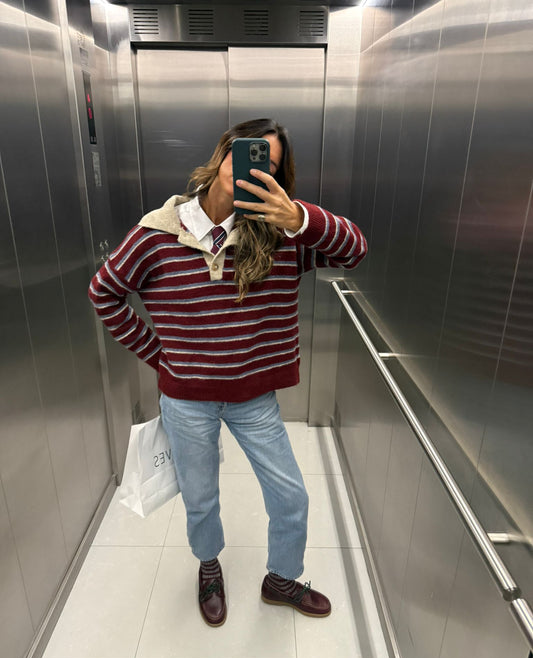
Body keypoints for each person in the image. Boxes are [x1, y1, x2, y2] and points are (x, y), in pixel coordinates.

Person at [89, 118, 367, 627]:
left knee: (291, 496)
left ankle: (281, 579)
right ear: (223, 154)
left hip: (253, 400)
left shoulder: (280, 236)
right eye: (245, 152)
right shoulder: (157, 232)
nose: (250, 168)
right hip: (186, 401)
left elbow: (355, 250)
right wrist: (159, 356)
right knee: (201, 499)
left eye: (268, 166)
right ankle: (209, 567)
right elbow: (103, 293)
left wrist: (299, 217)